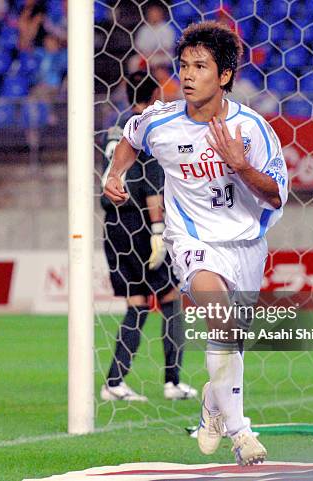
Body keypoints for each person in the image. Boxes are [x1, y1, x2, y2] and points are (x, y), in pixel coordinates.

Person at [104, 22, 288, 465]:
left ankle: (214, 403)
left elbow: (276, 194)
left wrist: (241, 167)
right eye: (184, 65)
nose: (187, 75)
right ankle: (242, 434)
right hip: (191, 240)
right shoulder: (160, 119)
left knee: (231, 342)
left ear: (224, 76)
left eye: (200, 66)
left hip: (246, 244)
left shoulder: (252, 129)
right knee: (220, 320)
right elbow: (130, 139)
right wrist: (115, 174)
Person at [100, 71, 197, 402]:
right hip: (143, 223)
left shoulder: (114, 128)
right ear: (156, 93)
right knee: (170, 298)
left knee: (138, 303)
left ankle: (114, 381)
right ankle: (172, 382)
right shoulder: (151, 126)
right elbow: (151, 185)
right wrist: (158, 229)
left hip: (114, 225)